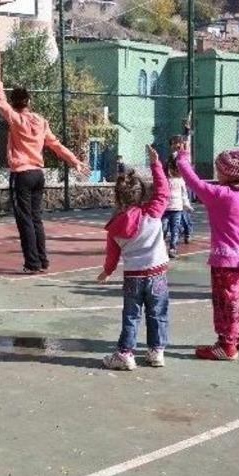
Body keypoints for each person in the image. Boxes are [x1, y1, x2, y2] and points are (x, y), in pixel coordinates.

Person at [0, 53, 90, 273]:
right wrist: (74, 162)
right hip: (38, 175)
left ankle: (32, 263)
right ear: (29, 101)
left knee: (25, 220)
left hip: (22, 174)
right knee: (36, 219)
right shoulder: (41, 121)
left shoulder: (16, 119)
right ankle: (43, 260)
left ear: (14, 104)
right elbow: (55, 145)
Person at [176, 145, 239, 360]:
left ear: (226, 172)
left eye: (218, 170)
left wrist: (182, 159)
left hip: (223, 263)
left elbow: (194, 182)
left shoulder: (219, 194)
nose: (216, 173)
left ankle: (227, 345)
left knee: (226, 302)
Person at [96, 145, 170, 370]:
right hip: (157, 273)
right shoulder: (153, 211)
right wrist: (156, 164)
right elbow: (163, 191)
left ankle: (125, 353)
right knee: (157, 313)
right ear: (141, 194)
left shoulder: (115, 228)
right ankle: (156, 351)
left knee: (131, 315)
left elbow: (112, 255)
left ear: (118, 198)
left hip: (133, 277)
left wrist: (107, 272)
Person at [162, 157, 191, 258]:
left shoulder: (180, 180)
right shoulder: (165, 180)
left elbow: (184, 194)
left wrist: (187, 205)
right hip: (165, 210)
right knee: (163, 228)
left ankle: (172, 248)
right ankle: (160, 247)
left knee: (174, 230)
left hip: (177, 210)